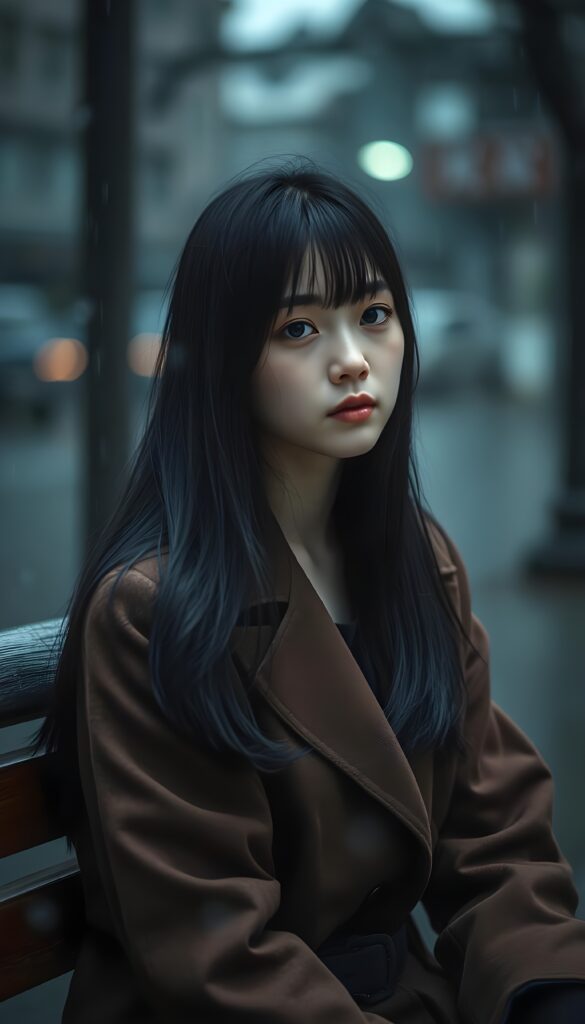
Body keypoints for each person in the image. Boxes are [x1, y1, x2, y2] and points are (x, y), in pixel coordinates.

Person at [33, 158, 585, 1023]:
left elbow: (496, 839)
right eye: (298, 330)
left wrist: (545, 987)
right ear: (223, 359)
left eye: (372, 316)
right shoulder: (154, 610)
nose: (352, 361)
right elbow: (213, 949)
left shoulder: (416, 563)